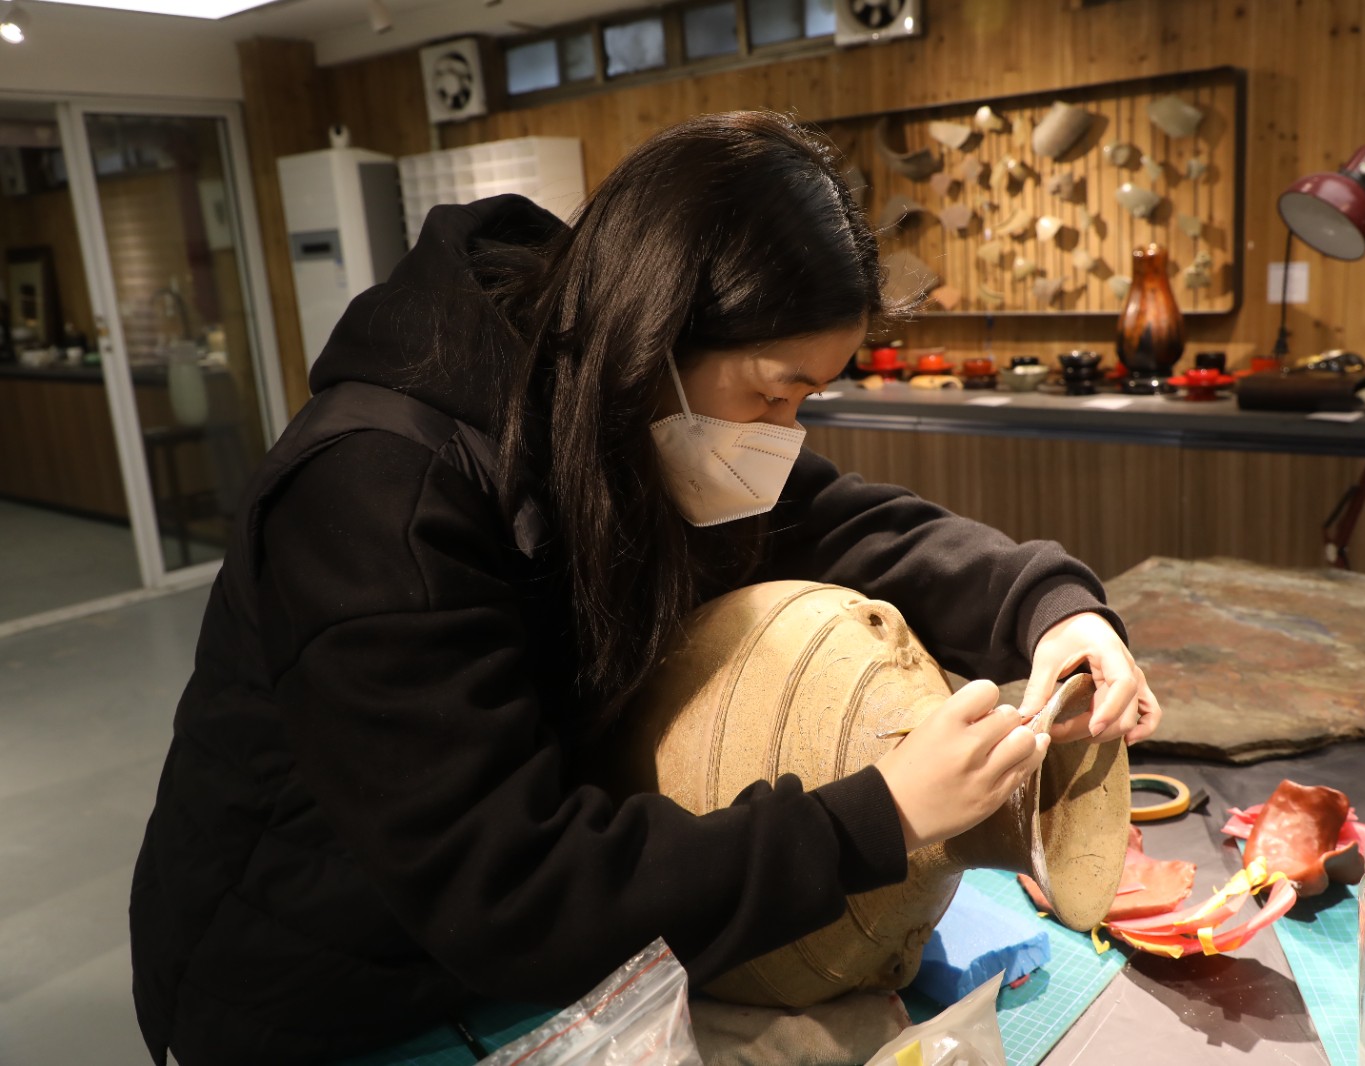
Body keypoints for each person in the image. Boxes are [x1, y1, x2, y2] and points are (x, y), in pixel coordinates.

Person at [129, 110, 1161, 1066]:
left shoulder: (623, 406)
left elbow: (845, 523)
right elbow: (508, 889)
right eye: (773, 393)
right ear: (653, 333)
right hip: (312, 985)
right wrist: (879, 817)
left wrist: (1049, 607)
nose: (784, 436)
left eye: (806, 399)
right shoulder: (375, 495)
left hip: (498, 956)